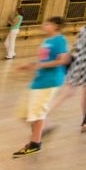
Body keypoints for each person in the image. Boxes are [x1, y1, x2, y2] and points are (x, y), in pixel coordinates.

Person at [11, 16, 69, 156]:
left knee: (37, 112)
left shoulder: (60, 40)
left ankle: (35, 143)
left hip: (50, 80)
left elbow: (63, 60)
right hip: (39, 79)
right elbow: (43, 59)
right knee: (23, 111)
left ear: (56, 26)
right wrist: (30, 65)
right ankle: (43, 129)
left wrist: (40, 65)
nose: (44, 25)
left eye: (47, 23)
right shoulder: (47, 41)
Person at [52, 7, 86, 115]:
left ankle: (44, 114)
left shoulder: (83, 29)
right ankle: (85, 118)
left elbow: (76, 46)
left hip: (76, 63)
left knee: (68, 92)